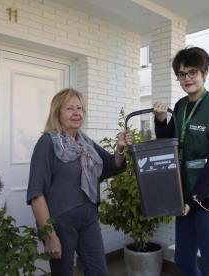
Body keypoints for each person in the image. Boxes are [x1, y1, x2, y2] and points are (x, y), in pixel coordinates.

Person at [153, 46, 209, 276]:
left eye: (193, 72)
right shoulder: (181, 106)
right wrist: (161, 121)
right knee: (182, 260)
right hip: (189, 198)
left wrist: (192, 200)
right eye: (182, 74)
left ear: (205, 73)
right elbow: (169, 146)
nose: (187, 78)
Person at [27, 88, 132, 276]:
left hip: (89, 218)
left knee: (98, 271)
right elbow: (36, 193)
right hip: (60, 223)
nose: (77, 113)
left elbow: (112, 165)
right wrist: (50, 235)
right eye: (69, 109)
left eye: (80, 108)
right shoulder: (47, 143)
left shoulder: (85, 143)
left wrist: (120, 147)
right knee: (63, 273)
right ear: (57, 113)